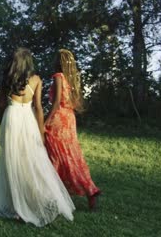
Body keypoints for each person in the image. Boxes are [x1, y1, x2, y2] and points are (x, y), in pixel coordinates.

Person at [0, 47, 75, 227]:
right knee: (30, 158)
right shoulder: (36, 80)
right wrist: (41, 132)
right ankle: (28, 201)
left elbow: (1, 104)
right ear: (29, 62)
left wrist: (2, 123)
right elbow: (38, 107)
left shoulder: (7, 80)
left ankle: (16, 204)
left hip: (12, 117)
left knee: (12, 161)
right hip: (27, 119)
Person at [44, 49, 102, 211]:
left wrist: (44, 122)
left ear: (59, 62)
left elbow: (55, 103)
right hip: (69, 119)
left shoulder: (57, 77)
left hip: (58, 120)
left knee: (55, 156)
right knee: (71, 156)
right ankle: (89, 189)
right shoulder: (71, 80)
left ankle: (51, 194)